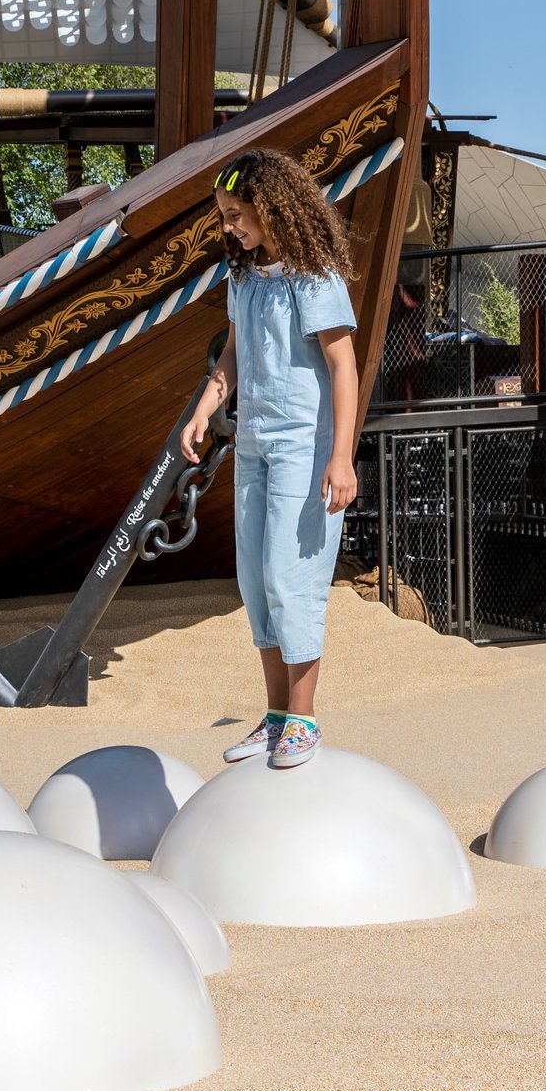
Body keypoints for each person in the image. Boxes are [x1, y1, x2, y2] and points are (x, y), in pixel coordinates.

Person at [181, 149, 358, 768]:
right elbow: (232, 354)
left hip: (304, 451)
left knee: (291, 579)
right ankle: (277, 714)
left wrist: (342, 459)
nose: (229, 226)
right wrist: (205, 408)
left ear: (272, 207)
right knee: (255, 583)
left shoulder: (315, 277)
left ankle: (304, 720)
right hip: (253, 445)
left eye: (237, 214)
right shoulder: (244, 277)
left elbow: (343, 368)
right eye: (225, 215)